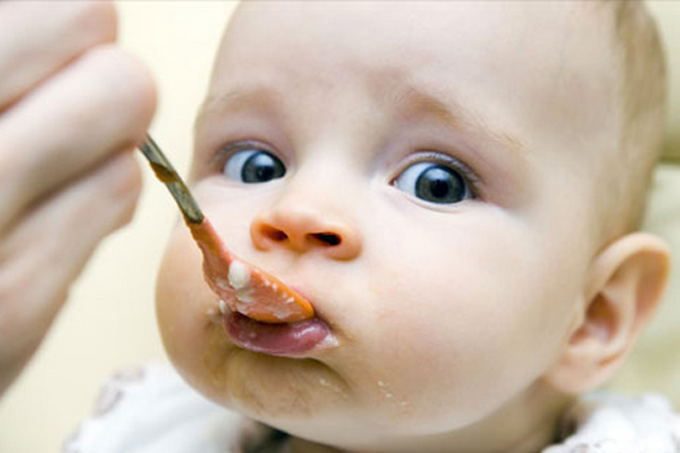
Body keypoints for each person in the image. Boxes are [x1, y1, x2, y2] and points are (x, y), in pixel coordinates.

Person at [4, 1, 680, 452]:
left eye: (435, 182)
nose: (295, 212)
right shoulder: (148, 433)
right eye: (256, 163)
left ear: (595, 313)